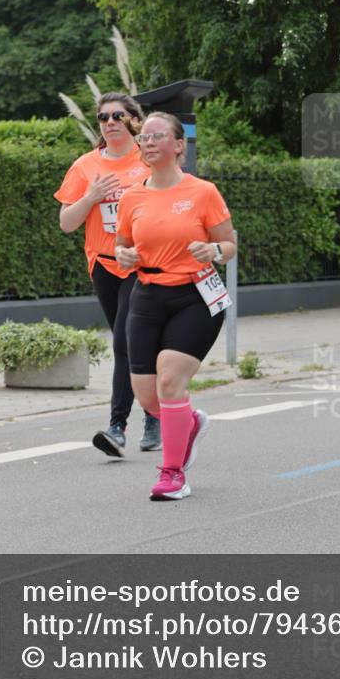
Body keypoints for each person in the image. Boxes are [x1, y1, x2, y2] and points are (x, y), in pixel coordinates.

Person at [115, 111, 237, 500]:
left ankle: (173, 474)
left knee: (169, 378)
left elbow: (229, 246)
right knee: (148, 396)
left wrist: (213, 249)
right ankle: (189, 422)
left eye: (156, 136)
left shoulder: (203, 192)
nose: (147, 142)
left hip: (196, 293)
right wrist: (125, 257)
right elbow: (121, 246)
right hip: (147, 293)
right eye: (143, 138)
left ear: (179, 145)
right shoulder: (131, 196)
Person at [54, 92, 161, 457]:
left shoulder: (148, 163)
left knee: (125, 342)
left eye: (118, 115)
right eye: (103, 117)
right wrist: (92, 196)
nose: (110, 122)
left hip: (141, 263)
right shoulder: (85, 166)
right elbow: (67, 223)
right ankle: (154, 411)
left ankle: (118, 427)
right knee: (131, 341)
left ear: (133, 119)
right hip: (103, 263)